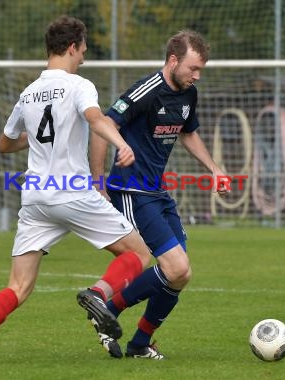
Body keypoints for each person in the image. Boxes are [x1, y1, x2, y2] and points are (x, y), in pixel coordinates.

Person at [0, 15, 151, 366]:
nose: (84, 57)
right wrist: (121, 143)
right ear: (73, 47)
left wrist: (39, 139)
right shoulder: (79, 85)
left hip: (35, 199)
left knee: (19, 286)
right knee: (138, 254)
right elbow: (95, 119)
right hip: (72, 192)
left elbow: (4, 144)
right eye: (84, 50)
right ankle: (97, 295)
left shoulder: (28, 92)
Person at [89, 30, 229, 359]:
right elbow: (102, 125)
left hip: (157, 191)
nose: (196, 76)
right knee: (175, 267)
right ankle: (107, 308)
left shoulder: (188, 94)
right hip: (131, 189)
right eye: (193, 68)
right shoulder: (147, 90)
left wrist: (213, 167)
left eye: (201, 71)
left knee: (180, 274)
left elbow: (189, 134)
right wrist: (98, 181)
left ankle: (138, 342)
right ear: (173, 60)